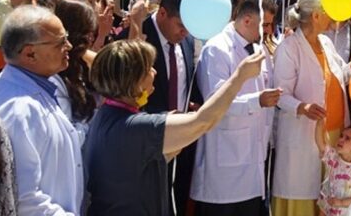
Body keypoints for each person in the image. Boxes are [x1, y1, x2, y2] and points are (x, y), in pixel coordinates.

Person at [84, 39, 267, 215]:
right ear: (134, 81)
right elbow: (203, 122)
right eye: (148, 69)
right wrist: (240, 76)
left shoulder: (106, 114)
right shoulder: (135, 129)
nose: (154, 72)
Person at [191, 0, 282, 215]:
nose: (269, 31)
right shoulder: (217, 49)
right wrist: (256, 101)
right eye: (265, 25)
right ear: (248, 20)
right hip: (224, 169)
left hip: (255, 162)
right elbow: (214, 102)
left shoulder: (260, 49)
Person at [272, 0, 351, 216]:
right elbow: (280, 94)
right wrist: (302, 107)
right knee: (304, 193)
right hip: (304, 136)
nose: (334, 16)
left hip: (334, 134)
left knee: (330, 197)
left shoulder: (326, 43)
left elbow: (338, 77)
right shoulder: (289, 48)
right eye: (329, 10)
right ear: (316, 15)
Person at [0, 6, 83, 214]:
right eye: (61, 42)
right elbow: (24, 199)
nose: (69, 46)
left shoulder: (36, 89)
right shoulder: (19, 110)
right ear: (30, 53)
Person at [123, 0, 200, 216]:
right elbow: (127, 85)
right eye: (181, 26)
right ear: (163, 13)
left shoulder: (186, 40)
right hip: (149, 141)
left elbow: (187, 80)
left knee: (178, 197)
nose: (185, 33)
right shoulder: (138, 35)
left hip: (183, 138)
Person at [48, 0, 99, 138]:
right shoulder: (52, 78)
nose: (90, 40)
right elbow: (68, 136)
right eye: (87, 34)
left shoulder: (81, 65)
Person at [314, 118, 351, 216]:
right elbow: (320, 144)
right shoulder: (333, 157)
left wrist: (342, 203)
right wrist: (319, 125)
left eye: (347, 138)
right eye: (341, 136)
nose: (341, 139)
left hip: (346, 212)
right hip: (326, 208)